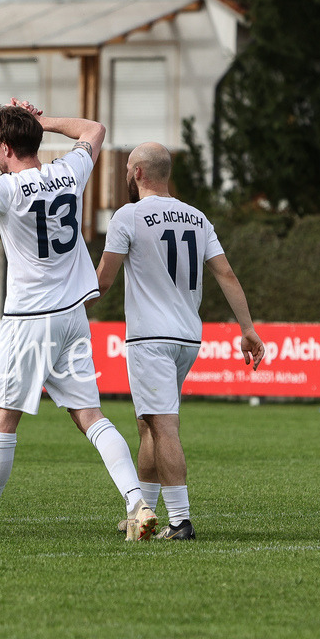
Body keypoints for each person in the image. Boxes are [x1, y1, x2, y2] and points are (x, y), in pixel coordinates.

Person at [0, 99, 156, 540]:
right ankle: (137, 502)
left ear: (4, 146)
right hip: (73, 317)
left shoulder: (6, 189)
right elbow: (95, 128)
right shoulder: (69, 172)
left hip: (30, 321)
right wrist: (43, 121)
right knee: (91, 416)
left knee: (1, 421)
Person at [94, 141, 265, 540]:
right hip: (188, 336)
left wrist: (63, 300)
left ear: (137, 173)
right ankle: (144, 513)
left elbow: (103, 279)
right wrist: (247, 328)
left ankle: (181, 521)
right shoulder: (197, 218)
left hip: (150, 338)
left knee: (164, 426)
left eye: (127, 172)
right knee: (148, 424)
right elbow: (226, 275)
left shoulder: (129, 216)